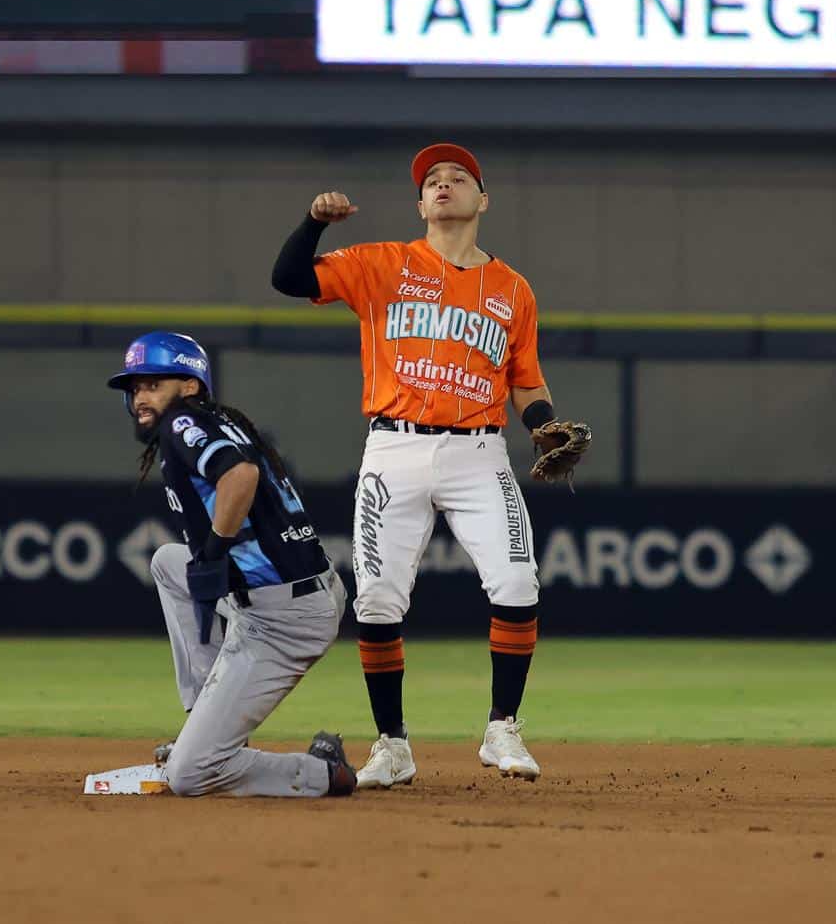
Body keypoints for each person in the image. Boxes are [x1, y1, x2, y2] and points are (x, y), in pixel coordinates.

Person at [270, 143, 578, 788]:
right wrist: (314, 222)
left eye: (458, 177)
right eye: (431, 180)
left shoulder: (512, 289)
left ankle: (503, 730)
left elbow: (525, 381)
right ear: (419, 204)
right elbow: (291, 279)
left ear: (481, 199)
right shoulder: (382, 264)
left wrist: (540, 425)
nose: (443, 185)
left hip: (478, 451)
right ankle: (392, 745)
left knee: (519, 582)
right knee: (378, 597)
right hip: (395, 447)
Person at [107, 331, 355, 798]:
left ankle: (324, 773)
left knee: (190, 775)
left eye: (153, 384)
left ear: (190, 385)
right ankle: (206, 719)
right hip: (292, 591)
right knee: (168, 563)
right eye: (134, 387)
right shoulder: (209, 421)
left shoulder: (182, 423)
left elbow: (240, 475)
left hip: (283, 617)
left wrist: (216, 548)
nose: (140, 396)